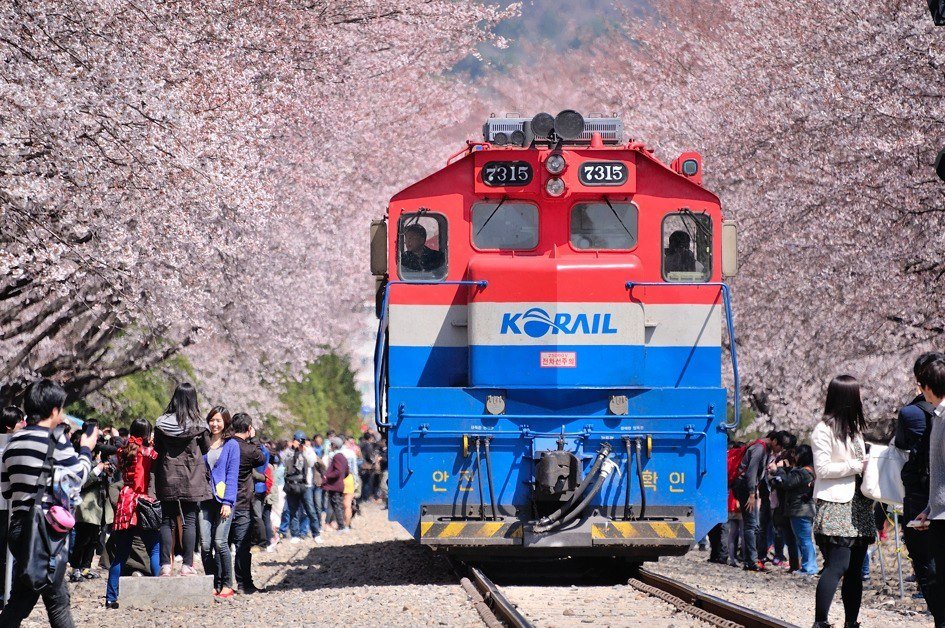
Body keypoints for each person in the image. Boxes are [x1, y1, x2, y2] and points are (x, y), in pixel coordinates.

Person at [0, 379, 99, 627]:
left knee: (22, 598)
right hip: (45, 535)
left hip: (19, 529)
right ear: (54, 410)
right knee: (57, 603)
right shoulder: (55, 442)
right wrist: (87, 450)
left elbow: (7, 491)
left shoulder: (11, 443)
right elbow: (78, 480)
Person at [811, 375, 872, 628]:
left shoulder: (856, 431)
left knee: (856, 568)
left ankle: (851, 621)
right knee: (838, 564)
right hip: (837, 504)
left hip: (859, 504)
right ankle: (821, 621)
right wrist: (857, 465)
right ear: (848, 398)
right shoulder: (822, 430)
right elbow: (822, 469)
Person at [894, 352, 943, 618]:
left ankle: (937, 613)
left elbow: (900, 445)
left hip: (920, 494)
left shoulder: (911, 412)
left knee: (925, 563)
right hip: (935, 495)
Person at [153, 383, 211, 576]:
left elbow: (157, 449)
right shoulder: (200, 425)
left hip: (168, 475)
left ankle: (165, 565)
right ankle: (187, 565)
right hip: (191, 477)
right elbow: (206, 449)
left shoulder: (161, 423)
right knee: (189, 520)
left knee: (167, 520)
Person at [106, 418, 161, 609]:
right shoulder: (149, 453)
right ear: (147, 434)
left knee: (120, 554)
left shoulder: (122, 451)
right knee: (153, 548)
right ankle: (159, 590)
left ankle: (111, 597)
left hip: (125, 501)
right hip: (144, 502)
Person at [912, 357, 945, 627]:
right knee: (936, 579)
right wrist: (929, 509)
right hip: (938, 513)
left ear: (927, 386)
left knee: (937, 581)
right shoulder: (938, 415)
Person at [198, 406, 239, 598]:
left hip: (223, 499)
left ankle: (227, 583)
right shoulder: (203, 442)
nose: (215, 424)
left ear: (226, 423)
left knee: (220, 541)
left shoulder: (231, 445)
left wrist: (228, 502)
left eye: (219, 421)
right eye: (212, 420)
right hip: (204, 499)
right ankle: (212, 581)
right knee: (205, 544)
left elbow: (232, 475)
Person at [732, 431, 782, 571]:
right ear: (775, 441)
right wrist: (752, 493)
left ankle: (752, 559)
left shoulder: (763, 448)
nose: (781, 451)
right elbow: (751, 472)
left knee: (752, 524)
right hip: (746, 489)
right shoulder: (759, 449)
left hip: (747, 489)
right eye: (781, 447)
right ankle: (751, 561)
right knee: (751, 524)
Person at [228, 413, 267, 594]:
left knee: (222, 545)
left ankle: (222, 583)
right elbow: (261, 459)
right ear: (249, 428)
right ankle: (244, 584)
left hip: (223, 501)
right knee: (242, 546)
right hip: (243, 500)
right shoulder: (249, 449)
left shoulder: (226, 444)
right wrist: (253, 440)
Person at [771, 444, 817, 576]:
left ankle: (809, 568)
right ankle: (808, 566)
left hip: (799, 510)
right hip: (805, 509)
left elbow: (786, 484)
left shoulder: (802, 472)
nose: (794, 457)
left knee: (804, 540)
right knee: (805, 539)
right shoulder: (811, 470)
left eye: (796, 454)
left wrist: (779, 469)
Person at [323, 437, 350, 532]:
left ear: (334, 445)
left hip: (335, 485)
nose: (330, 447)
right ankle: (342, 525)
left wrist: (327, 476)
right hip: (340, 484)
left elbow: (338, 471)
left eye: (331, 445)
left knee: (336, 505)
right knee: (337, 505)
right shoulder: (343, 457)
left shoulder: (337, 457)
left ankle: (342, 526)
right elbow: (346, 471)